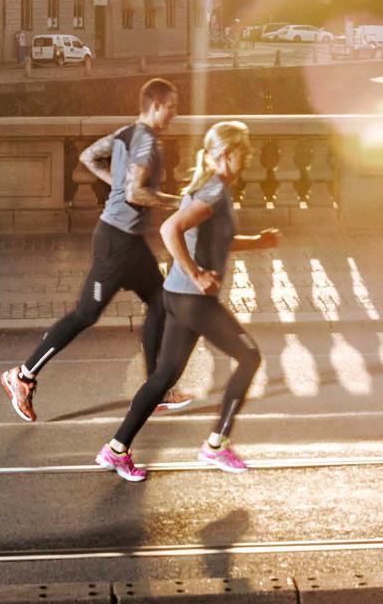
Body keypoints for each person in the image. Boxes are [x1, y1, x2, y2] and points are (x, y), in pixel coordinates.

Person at [96, 120, 281, 481]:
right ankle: (216, 446)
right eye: (244, 150)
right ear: (228, 154)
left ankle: (116, 449)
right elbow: (170, 230)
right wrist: (197, 273)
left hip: (177, 297)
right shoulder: (212, 193)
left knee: (164, 375)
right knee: (249, 356)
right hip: (194, 300)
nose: (249, 155)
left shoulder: (210, 188)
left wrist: (258, 240)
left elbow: (214, 241)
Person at [0, 78, 190, 422]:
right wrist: (180, 203)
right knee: (85, 315)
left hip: (125, 239)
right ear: (157, 104)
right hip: (118, 242)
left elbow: (89, 156)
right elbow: (135, 194)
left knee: (161, 301)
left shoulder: (125, 133)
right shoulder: (145, 140)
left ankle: (156, 390)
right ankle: (23, 376)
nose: (176, 112)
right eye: (173, 105)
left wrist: (115, 185)